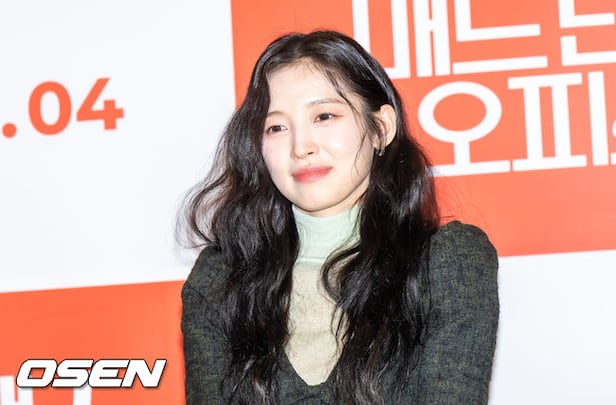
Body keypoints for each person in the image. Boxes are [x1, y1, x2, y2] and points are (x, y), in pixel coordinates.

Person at [180, 30, 498, 404]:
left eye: (324, 116)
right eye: (277, 127)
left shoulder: (447, 263)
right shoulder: (221, 278)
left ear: (381, 128)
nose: (301, 147)